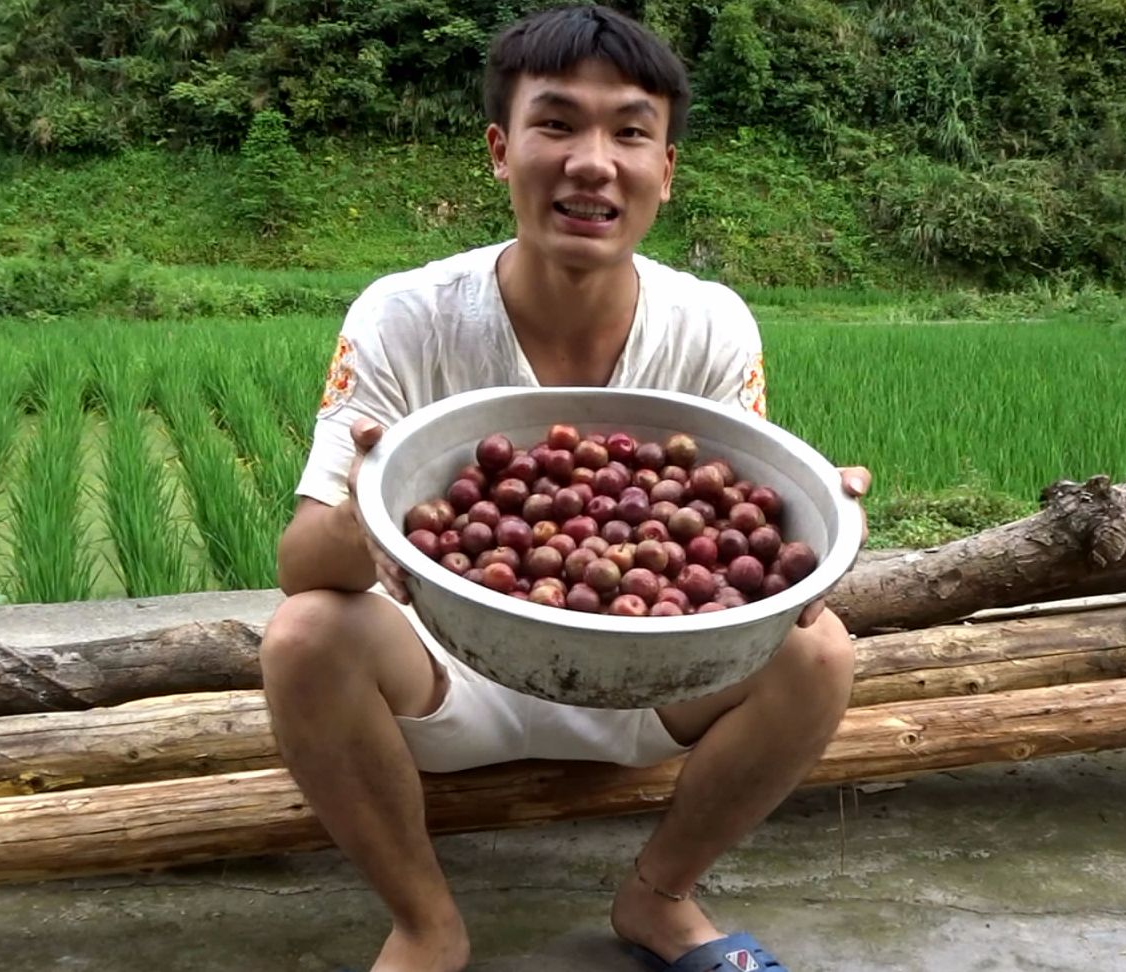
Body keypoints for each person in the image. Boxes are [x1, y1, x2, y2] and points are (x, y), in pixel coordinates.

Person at [261, 6, 871, 970]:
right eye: (557, 123)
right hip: (448, 666)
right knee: (303, 635)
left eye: (630, 131)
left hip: (656, 680)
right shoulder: (405, 316)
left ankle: (660, 898)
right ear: (502, 151)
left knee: (821, 651)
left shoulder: (709, 324)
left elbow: (742, 528)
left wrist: (817, 516)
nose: (593, 160)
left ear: (664, 170)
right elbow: (302, 564)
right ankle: (426, 926)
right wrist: (370, 518)